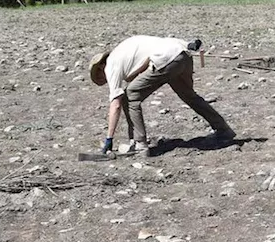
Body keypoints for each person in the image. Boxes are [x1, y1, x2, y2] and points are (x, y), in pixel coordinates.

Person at [90, 36, 234, 157]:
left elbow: (116, 104)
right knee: (190, 97)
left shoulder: (111, 65)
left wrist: (109, 139)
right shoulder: (125, 52)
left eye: (100, 76)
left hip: (166, 59)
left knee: (130, 96)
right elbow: (143, 66)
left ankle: (140, 144)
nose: (104, 79)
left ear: (101, 66)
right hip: (182, 54)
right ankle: (223, 130)